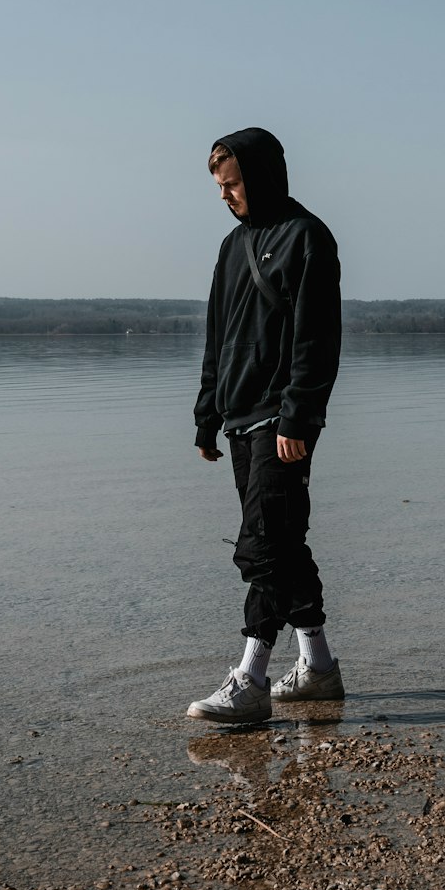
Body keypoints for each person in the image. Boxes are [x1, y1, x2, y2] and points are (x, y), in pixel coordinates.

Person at [187, 127, 344, 724]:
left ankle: (251, 679)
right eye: (220, 187)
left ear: (261, 175)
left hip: (283, 419)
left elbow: (317, 338)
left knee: (262, 545)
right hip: (239, 418)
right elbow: (217, 337)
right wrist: (207, 414)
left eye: (231, 184)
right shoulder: (232, 247)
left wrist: (300, 415)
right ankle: (319, 670)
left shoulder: (308, 238)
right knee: (285, 543)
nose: (225, 195)